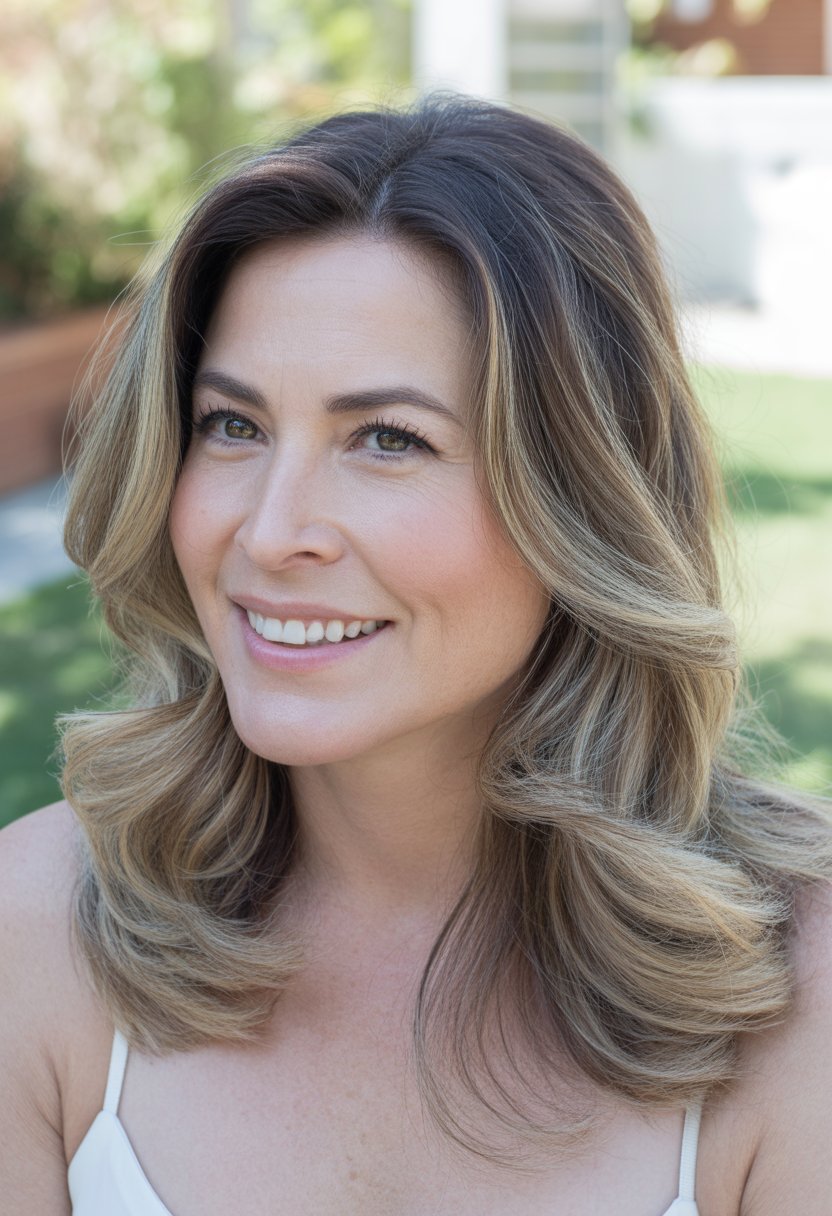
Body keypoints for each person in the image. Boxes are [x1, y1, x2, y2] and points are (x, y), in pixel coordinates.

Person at [1, 93, 830, 1216]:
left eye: (387, 439)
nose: (269, 532)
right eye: (233, 424)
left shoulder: (802, 984)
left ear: (582, 495)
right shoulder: (35, 928)